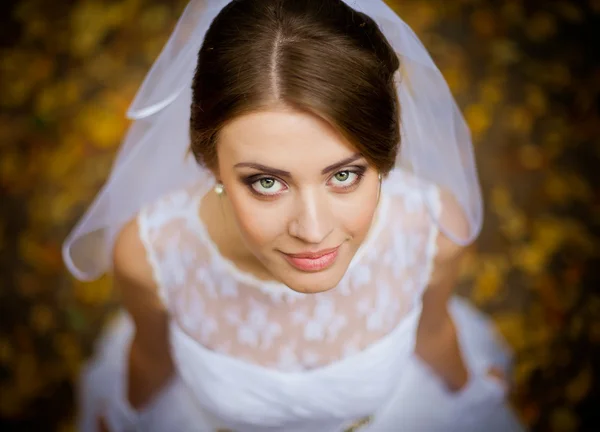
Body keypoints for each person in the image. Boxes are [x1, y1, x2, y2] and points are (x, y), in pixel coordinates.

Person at [63, 0, 526, 431]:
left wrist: (470, 396)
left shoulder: (433, 232)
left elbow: (435, 332)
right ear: (210, 162)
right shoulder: (150, 256)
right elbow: (150, 361)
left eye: (344, 176)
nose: (313, 230)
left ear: (383, 159)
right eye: (267, 182)